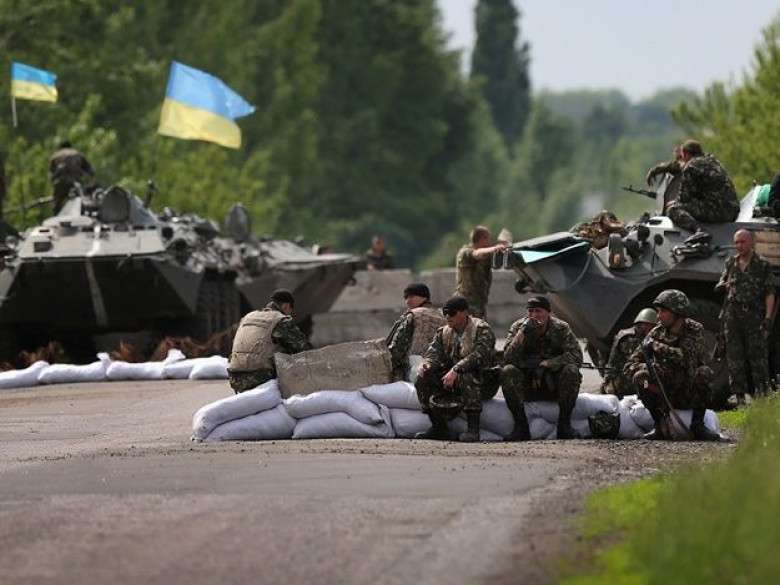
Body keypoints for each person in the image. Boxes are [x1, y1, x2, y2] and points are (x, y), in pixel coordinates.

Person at [623, 290, 721, 441]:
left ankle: (698, 425)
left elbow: (684, 357)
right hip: (664, 393)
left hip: (688, 392)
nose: (658, 316)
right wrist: (648, 367)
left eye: (663, 311)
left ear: (677, 312)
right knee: (641, 377)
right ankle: (659, 424)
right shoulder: (655, 333)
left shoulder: (695, 330)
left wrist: (655, 346)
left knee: (704, 372)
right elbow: (629, 365)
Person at [414, 295, 499, 442]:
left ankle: (473, 429)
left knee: (466, 375)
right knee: (423, 377)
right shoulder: (444, 332)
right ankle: (439, 427)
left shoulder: (481, 329)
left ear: (464, 313)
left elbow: (480, 354)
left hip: (482, 379)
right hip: (452, 379)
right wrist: (427, 364)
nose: (448, 317)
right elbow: (434, 353)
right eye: (445, 313)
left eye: (452, 313)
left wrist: (456, 369)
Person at [500, 295, 583, 441]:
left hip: (553, 384)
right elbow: (508, 358)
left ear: (548, 313)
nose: (534, 315)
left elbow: (577, 356)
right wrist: (521, 334)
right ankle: (521, 427)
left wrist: (549, 363)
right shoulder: (518, 327)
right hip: (527, 383)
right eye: (530, 311)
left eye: (538, 311)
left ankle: (564, 426)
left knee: (571, 370)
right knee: (508, 371)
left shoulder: (560, 328)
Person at [716, 229, 776, 398]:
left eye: (742, 242)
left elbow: (770, 292)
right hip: (732, 315)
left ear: (751, 242)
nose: (739, 246)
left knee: (758, 356)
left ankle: (763, 395)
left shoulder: (762, 264)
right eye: (736, 242)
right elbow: (723, 279)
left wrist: (768, 318)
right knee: (734, 356)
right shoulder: (731, 262)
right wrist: (722, 285)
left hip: (753, 314)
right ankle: (739, 396)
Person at [227, 288, 312, 394]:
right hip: (261, 377)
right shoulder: (280, 320)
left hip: (235, 378)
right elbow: (305, 349)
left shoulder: (248, 317)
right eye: (290, 310)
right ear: (286, 306)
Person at [665, 139, 740, 241]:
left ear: (686, 154)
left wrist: (674, 202)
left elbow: (684, 198)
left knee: (673, 209)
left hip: (718, 212)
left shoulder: (690, 166)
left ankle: (699, 231)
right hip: (733, 211)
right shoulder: (713, 161)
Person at [386, 282, 446, 381]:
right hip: (439, 370)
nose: (408, 301)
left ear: (424, 297)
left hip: (414, 370)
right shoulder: (442, 317)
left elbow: (397, 348)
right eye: (406, 298)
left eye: (412, 296)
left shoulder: (413, 315)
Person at [601, 308, 658, 398]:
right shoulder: (631, 339)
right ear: (645, 324)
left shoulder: (636, 334)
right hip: (619, 382)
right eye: (653, 326)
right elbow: (638, 365)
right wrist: (649, 386)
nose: (654, 330)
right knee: (646, 378)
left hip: (622, 377)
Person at [454, 225, 506, 319]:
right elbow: (476, 254)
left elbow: (499, 263)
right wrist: (495, 248)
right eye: (488, 238)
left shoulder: (486, 254)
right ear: (482, 239)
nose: (491, 242)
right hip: (465, 305)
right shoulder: (465, 253)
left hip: (479, 304)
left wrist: (504, 247)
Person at [48, 140, 95, 213]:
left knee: (57, 206)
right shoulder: (77, 154)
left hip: (60, 184)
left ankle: (56, 213)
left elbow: (51, 174)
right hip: (75, 183)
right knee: (81, 203)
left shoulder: (55, 156)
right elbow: (91, 171)